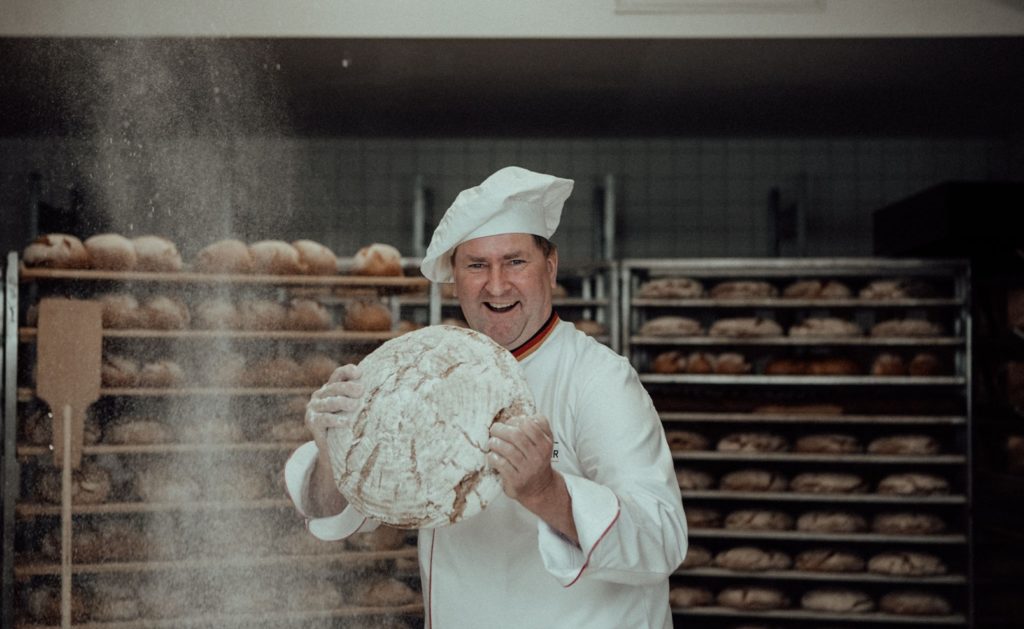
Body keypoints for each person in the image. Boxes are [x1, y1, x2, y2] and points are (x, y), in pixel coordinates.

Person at [284, 166, 687, 628]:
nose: (496, 285)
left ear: (550, 268)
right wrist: (333, 449)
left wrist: (546, 491)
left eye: (515, 261)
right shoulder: (424, 378)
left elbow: (662, 541)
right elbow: (332, 511)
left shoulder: (596, 379)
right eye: (476, 265)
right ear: (455, 277)